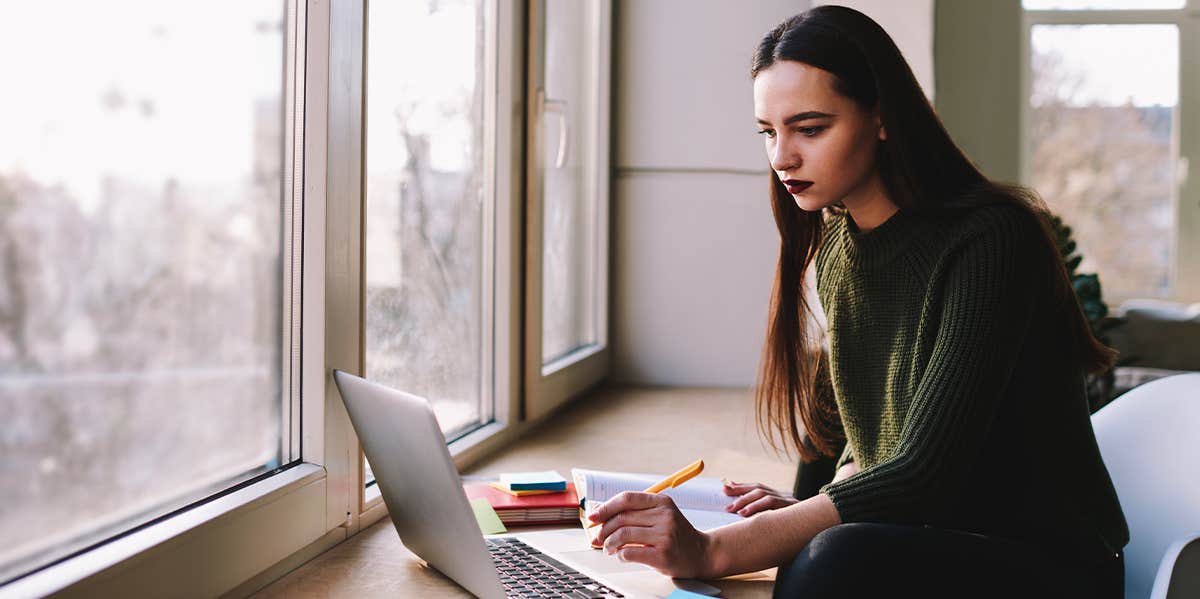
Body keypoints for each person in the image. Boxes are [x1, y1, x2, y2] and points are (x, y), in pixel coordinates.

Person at [586, 6, 1130, 597]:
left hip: (1047, 562)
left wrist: (713, 549)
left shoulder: (993, 239)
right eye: (769, 132)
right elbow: (866, 435)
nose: (782, 157)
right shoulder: (841, 243)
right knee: (808, 547)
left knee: (826, 561)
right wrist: (803, 509)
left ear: (881, 118)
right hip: (928, 535)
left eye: (810, 129)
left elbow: (923, 473)